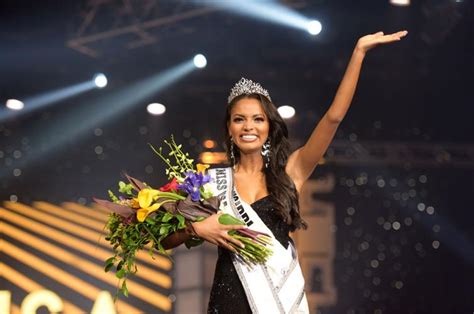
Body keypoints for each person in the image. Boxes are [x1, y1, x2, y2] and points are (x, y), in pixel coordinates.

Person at [162, 30, 408, 313]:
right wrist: (197, 228)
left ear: (269, 127)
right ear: (229, 129)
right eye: (239, 119)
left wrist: (359, 53)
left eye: (258, 119)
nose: (249, 127)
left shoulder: (292, 171)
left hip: (280, 301)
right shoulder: (212, 182)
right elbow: (166, 240)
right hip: (229, 300)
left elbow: (334, 117)